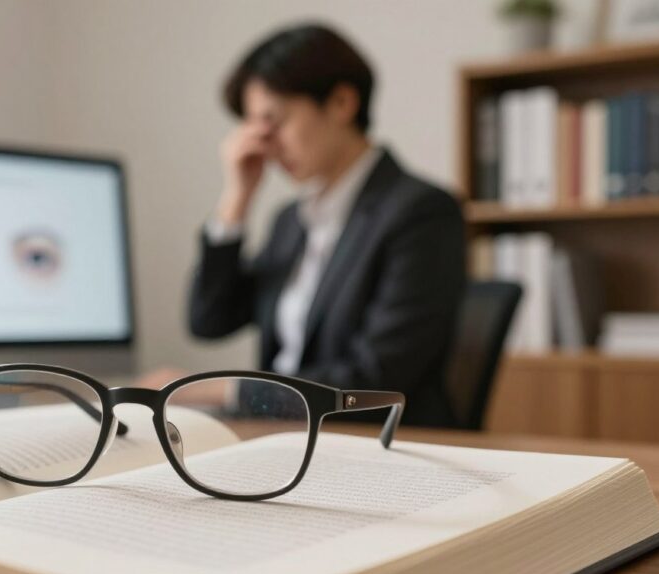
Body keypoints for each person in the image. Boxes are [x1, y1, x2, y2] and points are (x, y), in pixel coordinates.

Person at [187, 23, 465, 427]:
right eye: (254, 128)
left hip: (373, 444)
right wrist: (237, 198)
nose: (264, 144)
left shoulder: (421, 211)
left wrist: (227, 390)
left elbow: (377, 378)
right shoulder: (291, 221)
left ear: (340, 102)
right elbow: (209, 321)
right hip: (285, 435)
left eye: (274, 122)